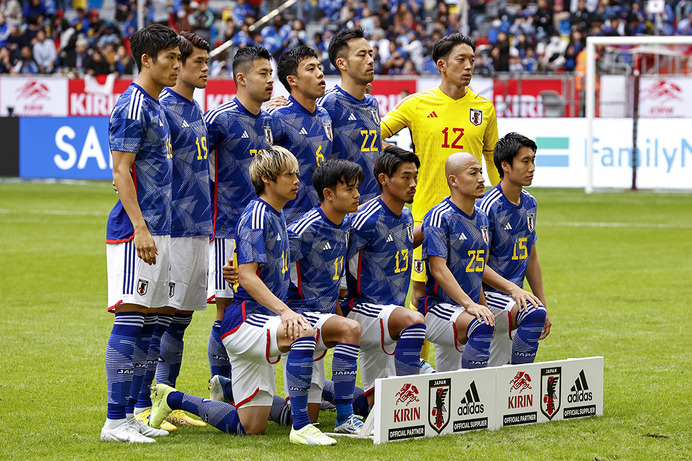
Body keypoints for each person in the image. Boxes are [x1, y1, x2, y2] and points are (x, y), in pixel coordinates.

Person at [380, 34, 500, 363]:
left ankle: (462, 366)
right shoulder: (418, 104)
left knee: (474, 290)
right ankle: (416, 368)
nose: (469, 66)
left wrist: (497, 199)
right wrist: (399, 158)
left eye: (473, 60)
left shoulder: (483, 107)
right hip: (425, 216)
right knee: (420, 293)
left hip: (470, 217)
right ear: (441, 65)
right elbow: (373, 133)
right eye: (461, 59)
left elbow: (490, 157)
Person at [219, 146, 336, 445]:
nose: (297, 180)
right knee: (302, 332)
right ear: (267, 179)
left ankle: (173, 398)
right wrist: (286, 311)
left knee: (251, 426)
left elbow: (246, 268)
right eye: (289, 174)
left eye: (297, 173)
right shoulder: (258, 214)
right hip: (244, 320)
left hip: (260, 321)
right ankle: (301, 426)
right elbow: (247, 275)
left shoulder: (276, 214)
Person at [101, 23, 180, 443]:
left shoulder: (155, 105)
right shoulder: (132, 106)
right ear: (146, 60)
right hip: (138, 231)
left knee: (149, 325)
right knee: (131, 321)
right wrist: (140, 227)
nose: (176, 66)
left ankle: (131, 415)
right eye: (169, 58)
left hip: (160, 229)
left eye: (178, 58)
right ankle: (114, 421)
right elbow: (120, 170)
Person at [131, 30, 211, 431]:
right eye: (195, 61)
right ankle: (145, 404)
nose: (201, 68)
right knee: (160, 319)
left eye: (201, 61)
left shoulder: (197, 110)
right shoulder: (162, 110)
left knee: (179, 320)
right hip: (172, 228)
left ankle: (164, 397)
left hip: (199, 227)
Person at [203, 45, 275, 387]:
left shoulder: (269, 121)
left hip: (262, 230)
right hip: (228, 228)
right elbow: (192, 164)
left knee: (256, 307)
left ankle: (244, 385)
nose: (270, 80)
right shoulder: (219, 119)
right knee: (226, 307)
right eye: (263, 73)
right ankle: (221, 383)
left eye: (271, 73)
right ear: (241, 78)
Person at [282, 159, 364, 433]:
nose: (357, 195)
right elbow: (273, 272)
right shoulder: (302, 230)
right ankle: (344, 418)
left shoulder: (347, 224)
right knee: (351, 329)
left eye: (357, 188)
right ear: (328, 194)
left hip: (323, 318)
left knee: (308, 415)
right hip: (299, 318)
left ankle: (233, 389)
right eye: (350, 189)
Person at [343, 146, 426, 408]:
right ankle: (411, 395)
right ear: (383, 180)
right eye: (405, 177)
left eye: (415, 176)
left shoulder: (407, 215)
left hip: (389, 312)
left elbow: (399, 245)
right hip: (362, 308)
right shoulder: (364, 219)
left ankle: (327, 393)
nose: (413, 184)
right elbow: (340, 262)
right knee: (414, 321)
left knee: (376, 406)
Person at [477, 132, 551, 367]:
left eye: (533, 160)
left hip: (513, 297)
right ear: (505, 166)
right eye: (525, 161)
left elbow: (532, 258)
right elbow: (479, 266)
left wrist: (542, 302)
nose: (532, 168)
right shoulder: (487, 207)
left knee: (497, 369)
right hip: (489, 296)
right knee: (532, 315)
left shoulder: (530, 203)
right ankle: (521, 379)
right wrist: (513, 291)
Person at [419, 152, 495, 372]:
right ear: (453, 180)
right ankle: (473, 396)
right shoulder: (438, 216)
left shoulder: (481, 218)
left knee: (447, 379)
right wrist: (471, 305)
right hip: (437, 308)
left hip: (464, 309)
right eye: (473, 173)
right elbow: (438, 269)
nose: (481, 178)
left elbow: (476, 271)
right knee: (481, 326)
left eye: (481, 172)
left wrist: (482, 305)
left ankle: (430, 380)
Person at [270, 45, 332, 224]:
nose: (320, 73)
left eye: (319, 68)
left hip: (322, 223)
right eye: (311, 69)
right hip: (290, 224)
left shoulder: (325, 116)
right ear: (292, 80)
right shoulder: (278, 117)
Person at [319, 28, 382, 203]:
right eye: (362, 55)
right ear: (342, 63)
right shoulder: (329, 104)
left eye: (370, 54)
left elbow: (372, 144)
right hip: (345, 210)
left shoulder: (372, 104)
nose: (370, 60)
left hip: (373, 206)